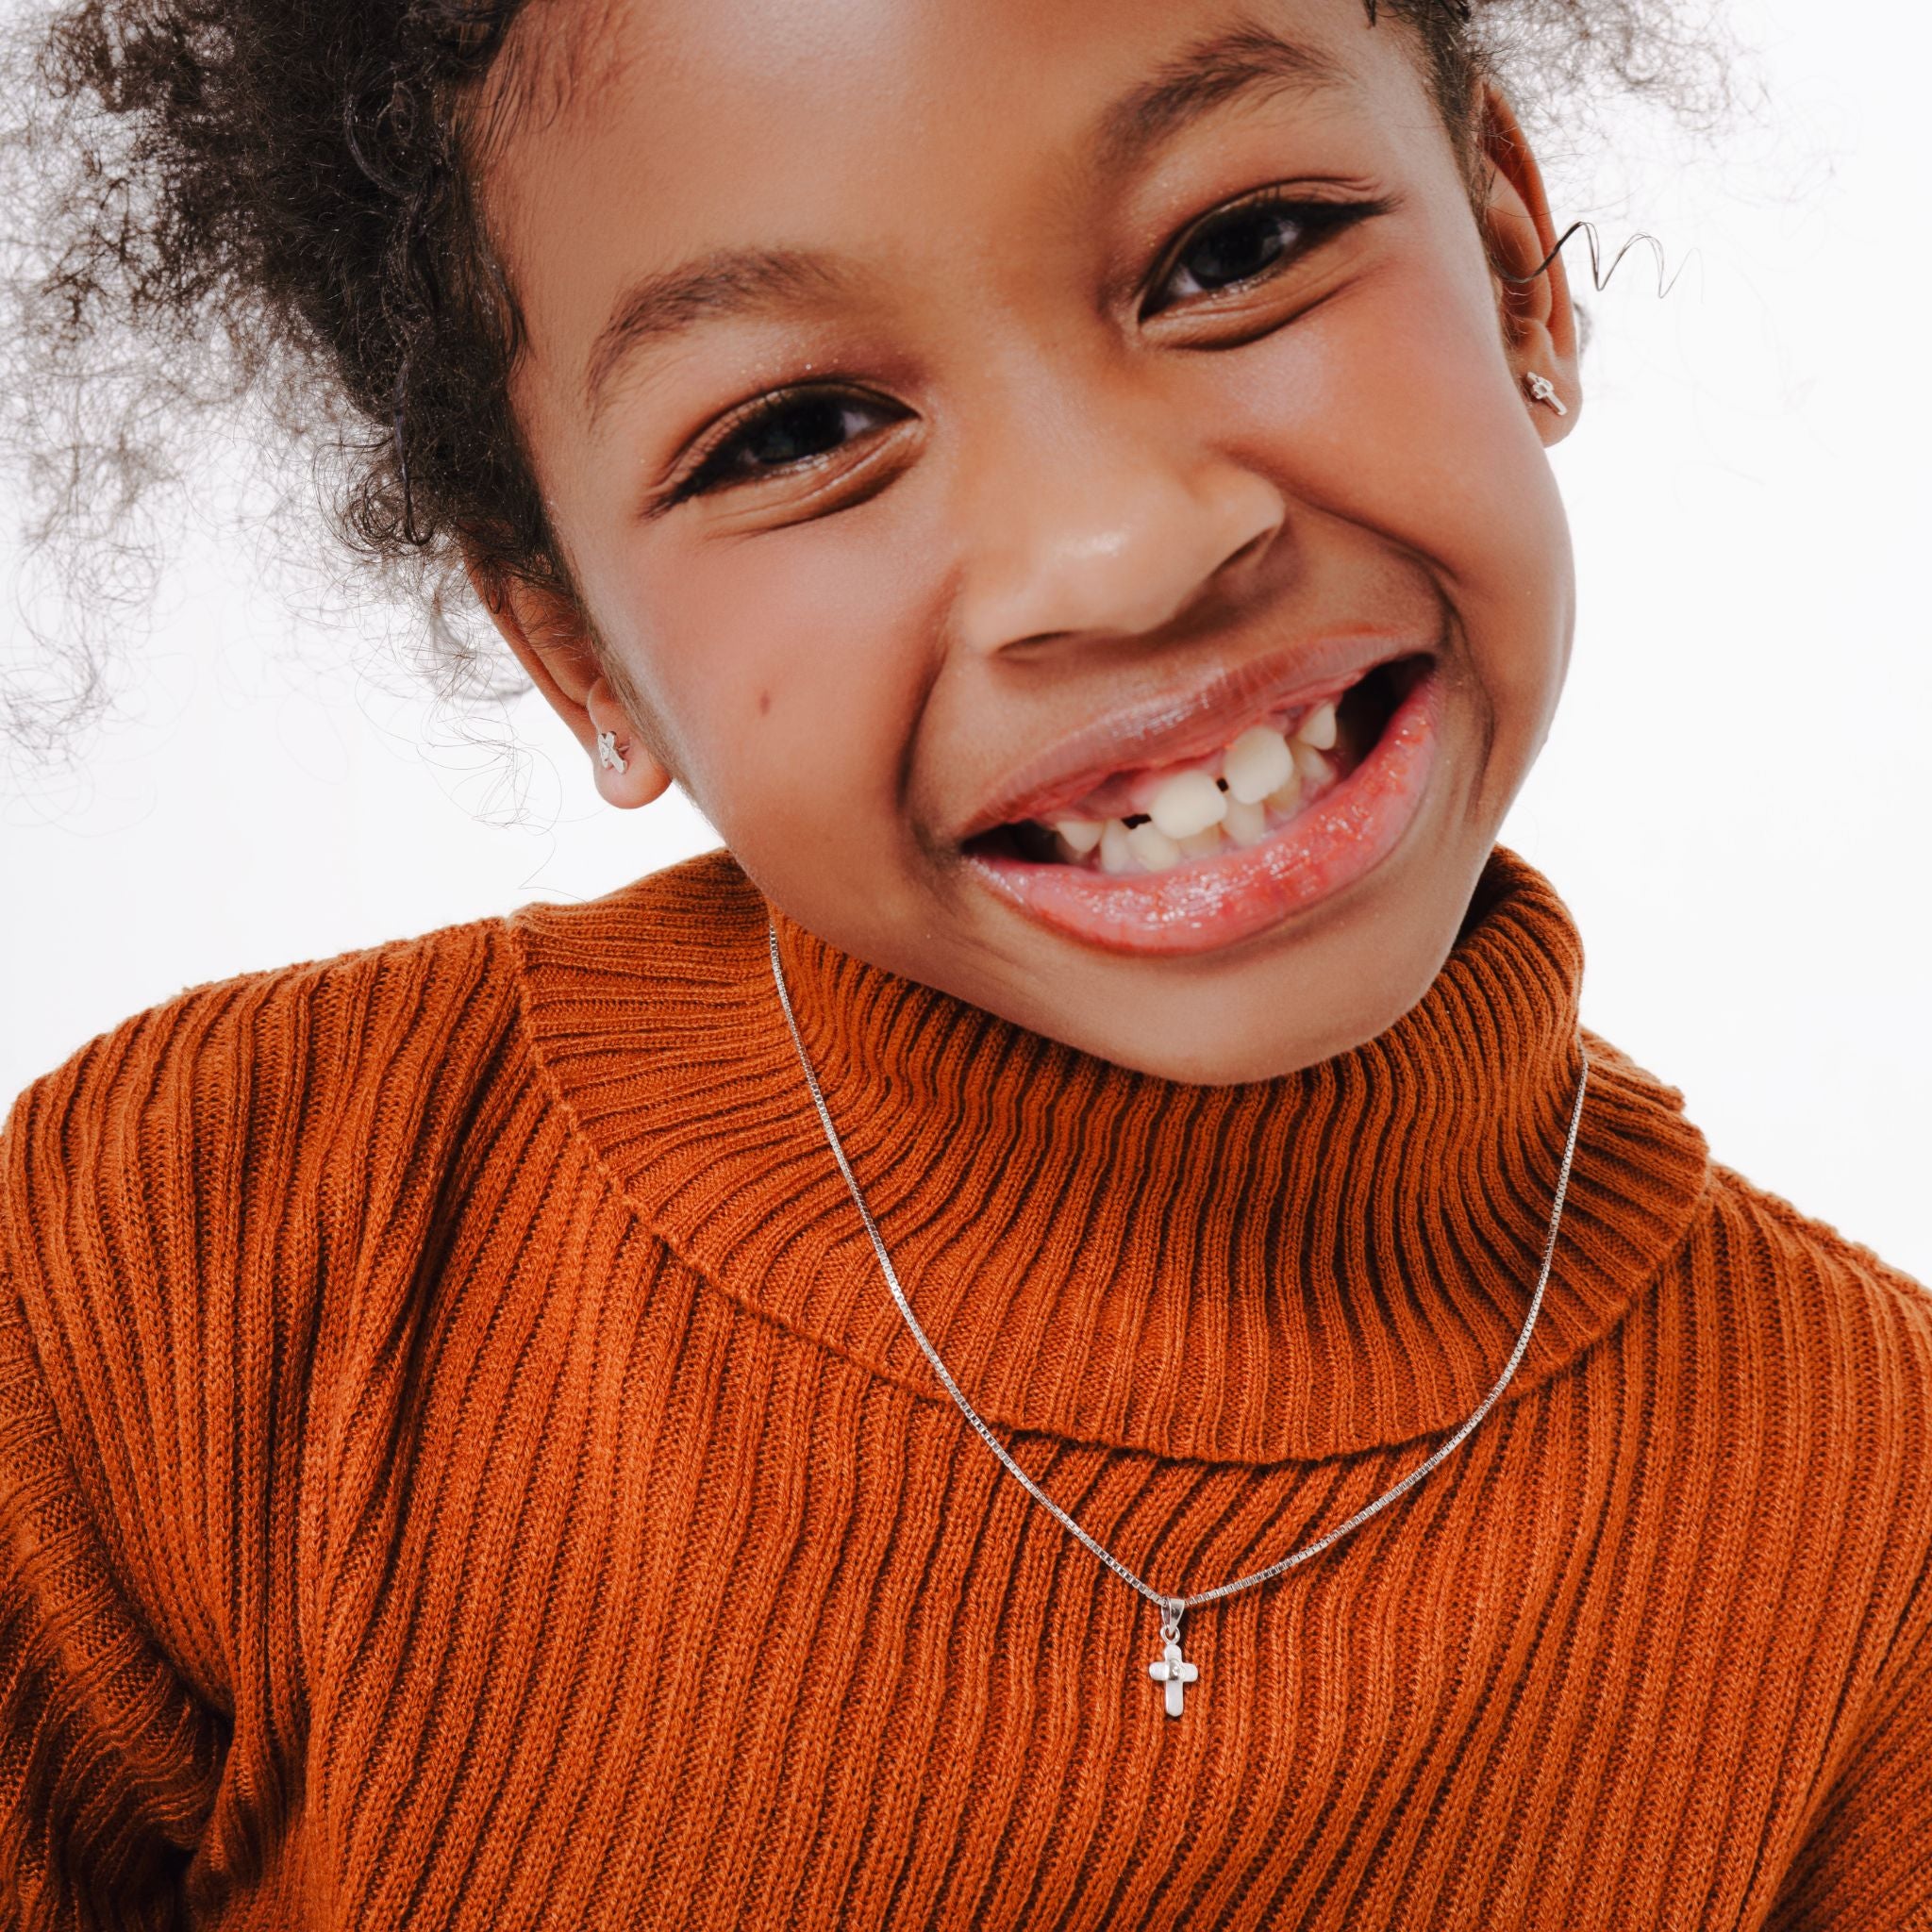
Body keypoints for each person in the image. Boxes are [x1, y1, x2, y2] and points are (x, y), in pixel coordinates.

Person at [0, 0, 1924, 1925]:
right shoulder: (216, 1247)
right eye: (802, 432)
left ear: (1511, 259)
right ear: (575, 648)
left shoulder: (1873, 1526)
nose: (1117, 548)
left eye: (1235, 251)